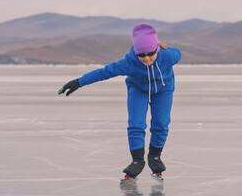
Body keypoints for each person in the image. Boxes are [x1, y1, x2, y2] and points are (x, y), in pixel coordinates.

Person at [58, 23, 182, 180]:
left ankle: (155, 157)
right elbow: (104, 72)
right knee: (136, 124)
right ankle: (137, 160)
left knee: (161, 123)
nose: (146, 58)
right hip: (138, 89)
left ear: (157, 49)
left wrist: (164, 47)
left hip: (163, 89)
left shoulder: (169, 55)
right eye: (141, 55)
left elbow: (179, 53)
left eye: (150, 53)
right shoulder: (129, 63)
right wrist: (78, 82)